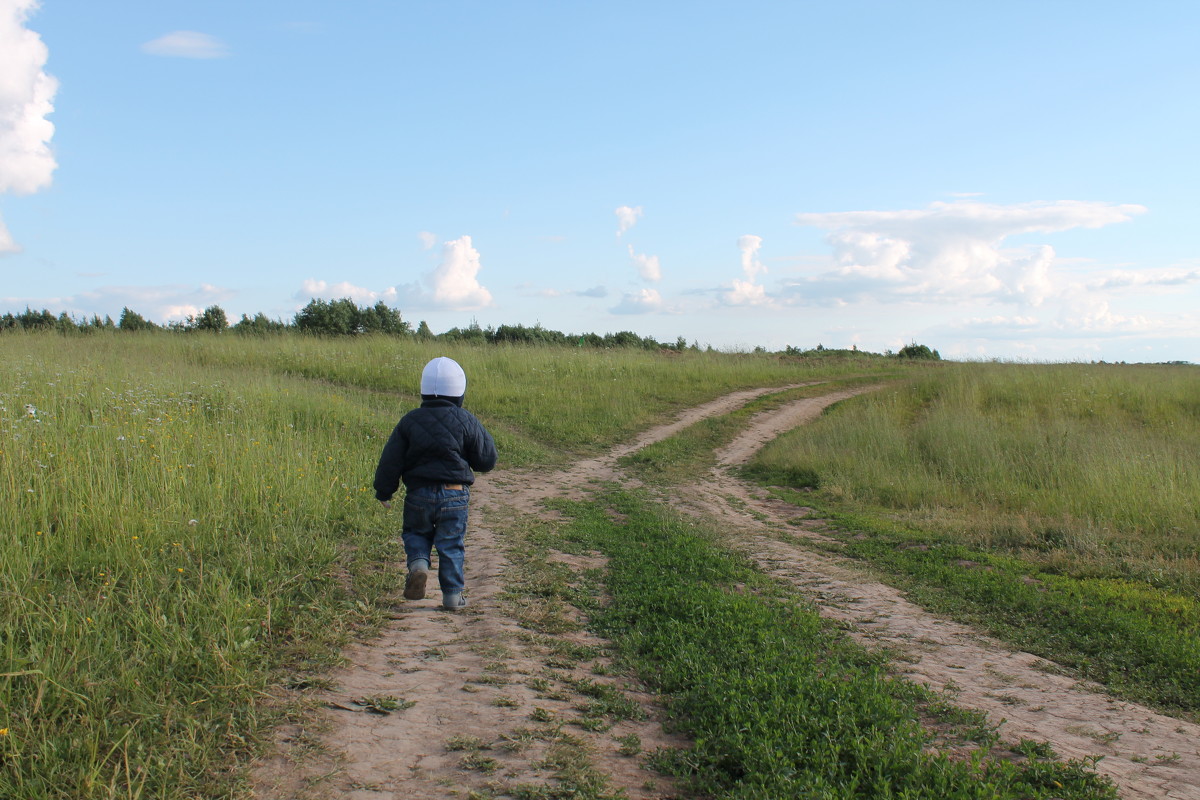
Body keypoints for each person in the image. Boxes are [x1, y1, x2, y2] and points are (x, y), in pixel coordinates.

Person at [374, 356, 497, 609]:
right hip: (454, 495)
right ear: (459, 391)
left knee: (416, 532)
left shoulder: (409, 420)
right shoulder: (466, 420)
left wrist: (384, 491)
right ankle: (452, 596)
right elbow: (486, 460)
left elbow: (391, 459)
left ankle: (418, 563)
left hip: (418, 494)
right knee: (451, 543)